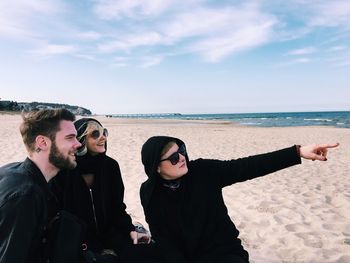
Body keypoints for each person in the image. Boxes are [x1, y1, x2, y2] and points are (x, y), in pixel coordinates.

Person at [140, 136, 339, 263]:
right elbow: (164, 239)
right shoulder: (149, 193)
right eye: (173, 158)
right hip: (185, 255)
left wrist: (297, 153)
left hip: (223, 252)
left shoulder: (203, 172)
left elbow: (248, 166)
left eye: (181, 151)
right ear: (156, 167)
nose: (182, 158)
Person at [50, 118, 161, 263]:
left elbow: (118, 206)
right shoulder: (64, 170)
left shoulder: (111, 166)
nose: (103, 137)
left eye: (104, 132)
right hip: (78, 238)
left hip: (111, 232)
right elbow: (58, 213)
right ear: (80, 140)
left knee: (148, 255)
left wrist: (129, 229)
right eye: (95, 134)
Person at [0, 108, 81, 263]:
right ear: (42, 142)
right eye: (70, 137)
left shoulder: (12, 170)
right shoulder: (26, 196)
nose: (78, 144)